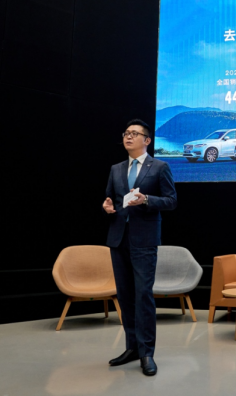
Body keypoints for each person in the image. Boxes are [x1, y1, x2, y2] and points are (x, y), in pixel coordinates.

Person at [102, 119, 177, 376]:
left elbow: (171, 201)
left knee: (143, 296)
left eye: (135, 133)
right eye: (126, 133)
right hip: (118, 239)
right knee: (125, 296)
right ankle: (132, 347)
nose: (129, 137)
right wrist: (107, 207)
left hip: (144, 240)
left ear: (147, 140)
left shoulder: (160, 167)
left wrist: (146, 199)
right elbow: (110, 199)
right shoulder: (116, 169)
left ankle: (146, 353)